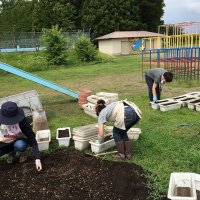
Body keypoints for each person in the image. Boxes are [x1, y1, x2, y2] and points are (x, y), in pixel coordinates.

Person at [0, 101, 42, 171]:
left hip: (19, 138)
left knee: (20, 145)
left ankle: (22, 152)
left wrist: (37, 158)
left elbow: (31, 138)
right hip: (5, 140)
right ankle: (11, 152)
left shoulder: (22, 120)